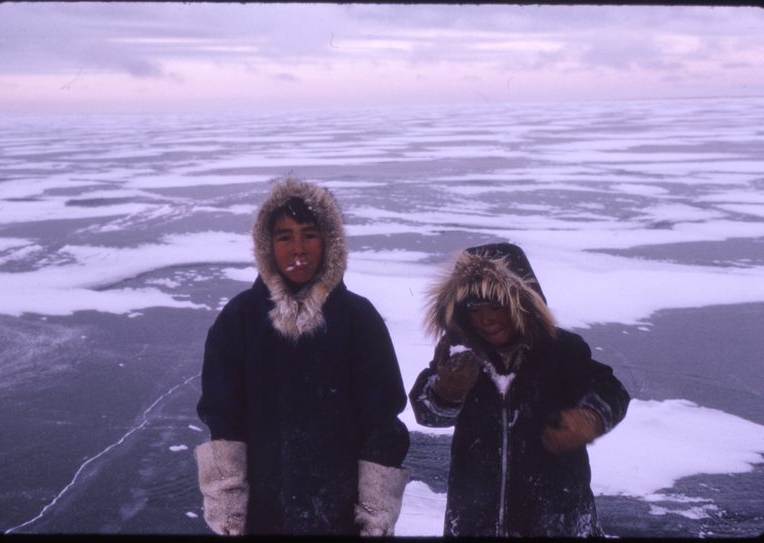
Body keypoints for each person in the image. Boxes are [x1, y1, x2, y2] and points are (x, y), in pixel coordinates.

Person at [194, 176, 410, 536]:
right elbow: (223, 417)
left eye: (309, 234)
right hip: (262, 520)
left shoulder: (359, 319)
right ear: (267, 246)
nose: (299, 249)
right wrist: (229, 509)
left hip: (340, 519)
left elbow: (382, 422)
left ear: (329, 242)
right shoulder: (240, 319)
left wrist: (374, 513)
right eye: (285, 237)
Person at [409, 242, 630, 537]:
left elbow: (611, 389)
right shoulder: (459, 352)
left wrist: (590, 418)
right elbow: (427, 414)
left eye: (496, 306)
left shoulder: (561, 349)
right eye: (475, 309)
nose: (486, 319)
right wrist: (447, 391)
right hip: (474, 522)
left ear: (521, 304)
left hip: (557, 520)